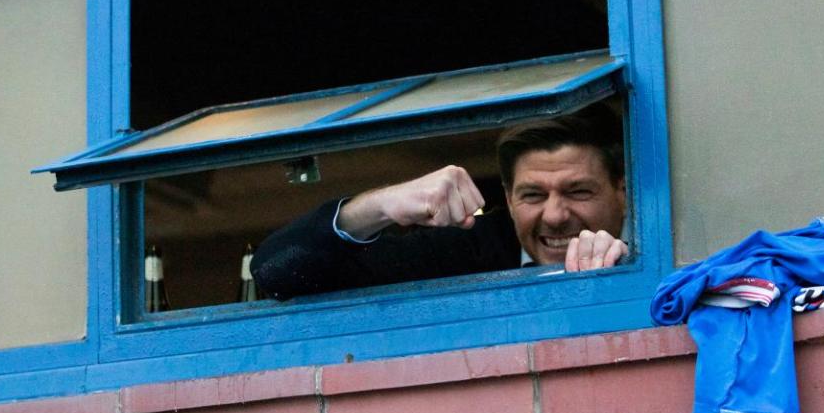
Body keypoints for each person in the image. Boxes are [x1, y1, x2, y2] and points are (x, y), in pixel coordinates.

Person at [252, 104, 628, 299]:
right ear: (509, 199)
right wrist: (381, 205)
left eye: (578, 191)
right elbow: (275, 273)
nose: (555, 215)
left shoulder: (658, 244)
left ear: (623, 191)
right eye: (532, 195)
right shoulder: (469, 248)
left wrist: (620, 265)